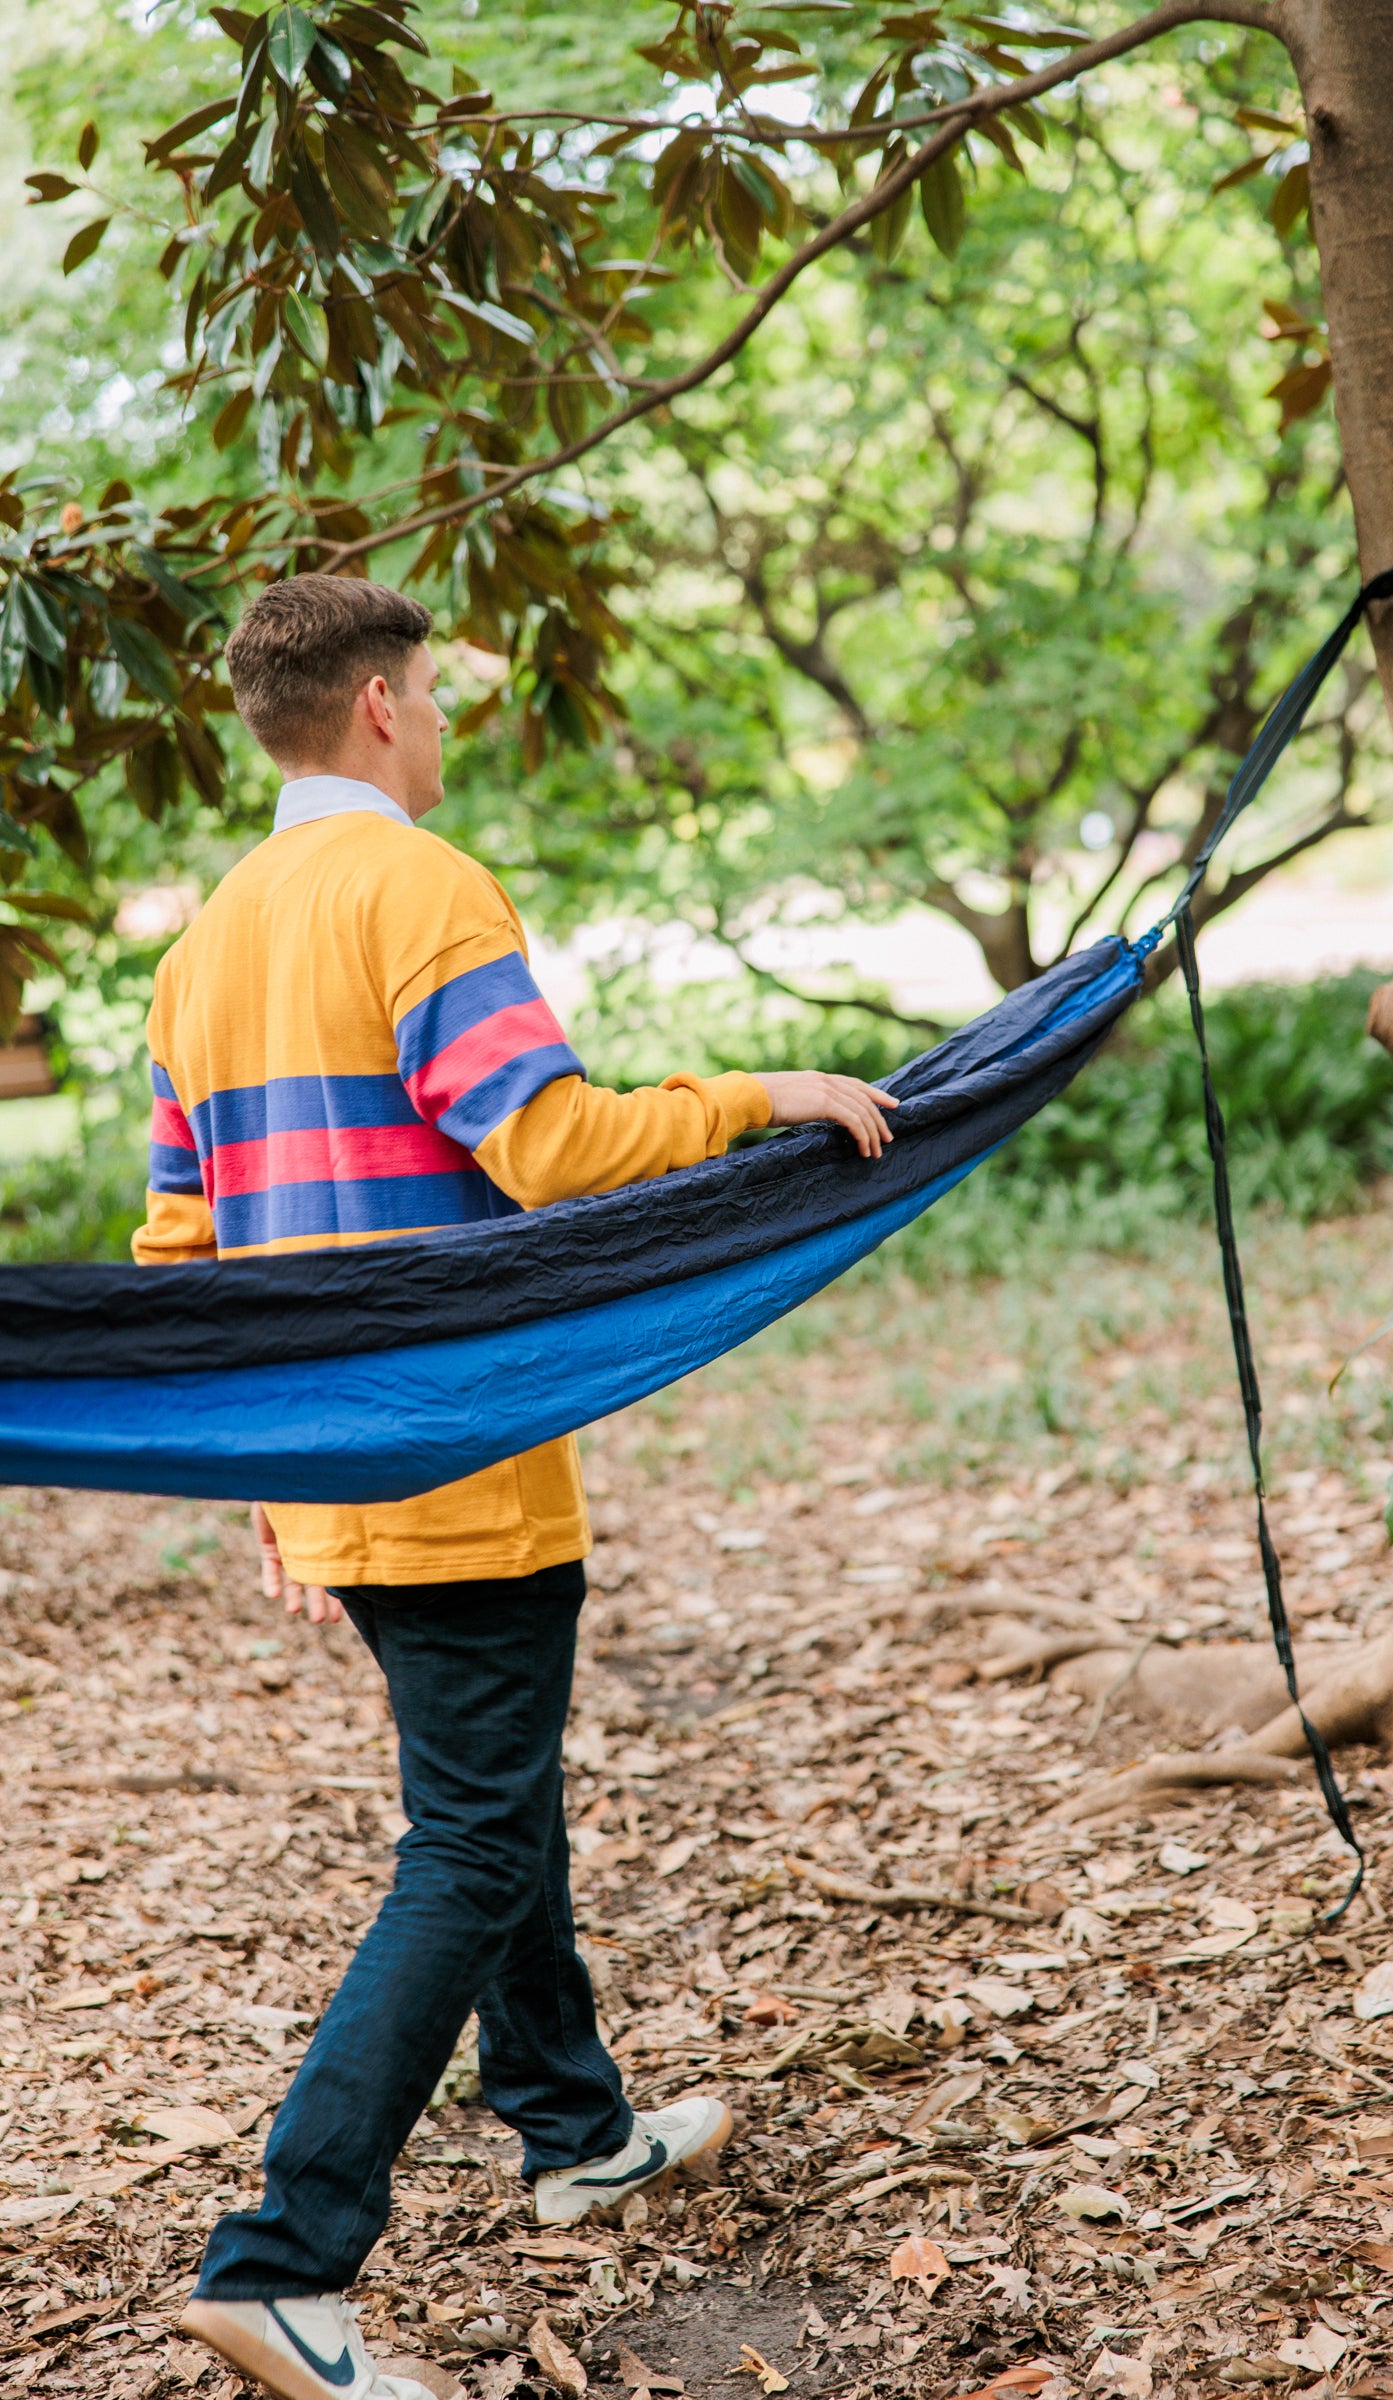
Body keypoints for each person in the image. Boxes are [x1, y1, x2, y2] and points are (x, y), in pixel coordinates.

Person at [135, 575, 898, 2400]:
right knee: (472, 1840)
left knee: (492, 1803)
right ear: (383, 705)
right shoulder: (420, 885)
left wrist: (272, 1500)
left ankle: (572, 2128)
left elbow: (181, 1255)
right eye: (442, 698)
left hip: (329, 1466)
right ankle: (286, 2258)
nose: (452, 727)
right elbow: (548, 1146)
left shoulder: (206, 942)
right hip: (462, 1456)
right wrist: (759, 1091)